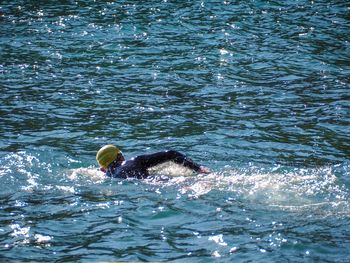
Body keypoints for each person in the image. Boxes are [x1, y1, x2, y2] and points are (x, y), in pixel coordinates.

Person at [96, 144, 210, 179]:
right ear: (119, 156)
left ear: (103, 168)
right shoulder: (135, 161)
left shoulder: (110, 175)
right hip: (154, 182)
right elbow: (170, 154)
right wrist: (198, 168)